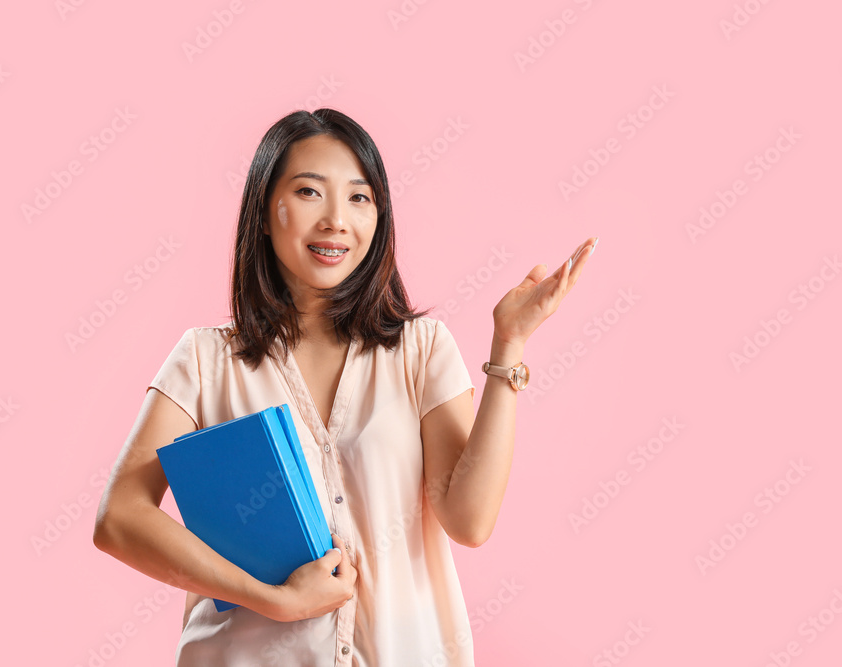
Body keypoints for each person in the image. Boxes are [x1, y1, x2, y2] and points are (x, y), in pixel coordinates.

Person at [92, 107, 597, 666]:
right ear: (263, 211)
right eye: (310, 192)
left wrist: (509, 347)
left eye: (360, 198)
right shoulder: (207, 360)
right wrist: (275, 600)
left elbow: (469, 520)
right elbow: (119, 518)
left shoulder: (420, 350)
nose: (337, 220)